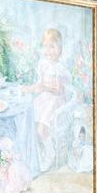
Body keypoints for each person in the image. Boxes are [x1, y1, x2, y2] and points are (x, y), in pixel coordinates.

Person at [26, 26, 71, 172]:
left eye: (52, 47)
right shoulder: (43, 64)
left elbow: (58, 90)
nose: (48, 51)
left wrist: (43, 88)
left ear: (60, 49)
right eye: (46, 47)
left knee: (42, 128)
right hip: (45, 98)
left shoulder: (60, 68)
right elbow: (40, 84)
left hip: (56, 101)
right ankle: (42, 151)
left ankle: (50, 155)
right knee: (32, 119)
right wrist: (31, 88)